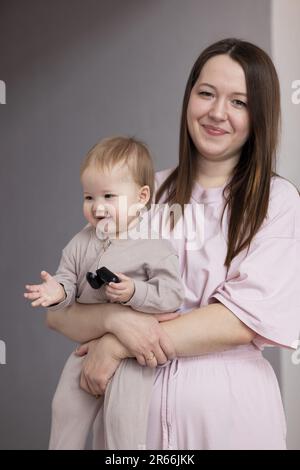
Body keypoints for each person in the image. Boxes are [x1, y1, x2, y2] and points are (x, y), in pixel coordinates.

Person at [46, 38, 300, 450]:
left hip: (230, 419)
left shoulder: (277, 203)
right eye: (206, 94)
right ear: (189, 99)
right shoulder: (144, 195)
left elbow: (240, 320)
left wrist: (115, 345)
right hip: (131, 419)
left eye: (239, 102)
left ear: (260, 115)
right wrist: (114, 324)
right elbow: (62, 311)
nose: (218, 112)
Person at [24, 136, 184, 449]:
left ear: (141, 197)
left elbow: (172, 296)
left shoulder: (154, 245)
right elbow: (67, 276)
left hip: (132, 353)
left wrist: (135, 291)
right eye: (88, 197)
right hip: (88, 346)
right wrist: (57, 290)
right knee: (65, 407)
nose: (97, 207)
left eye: (109, 196)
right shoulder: (81, 240)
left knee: (122, 421)